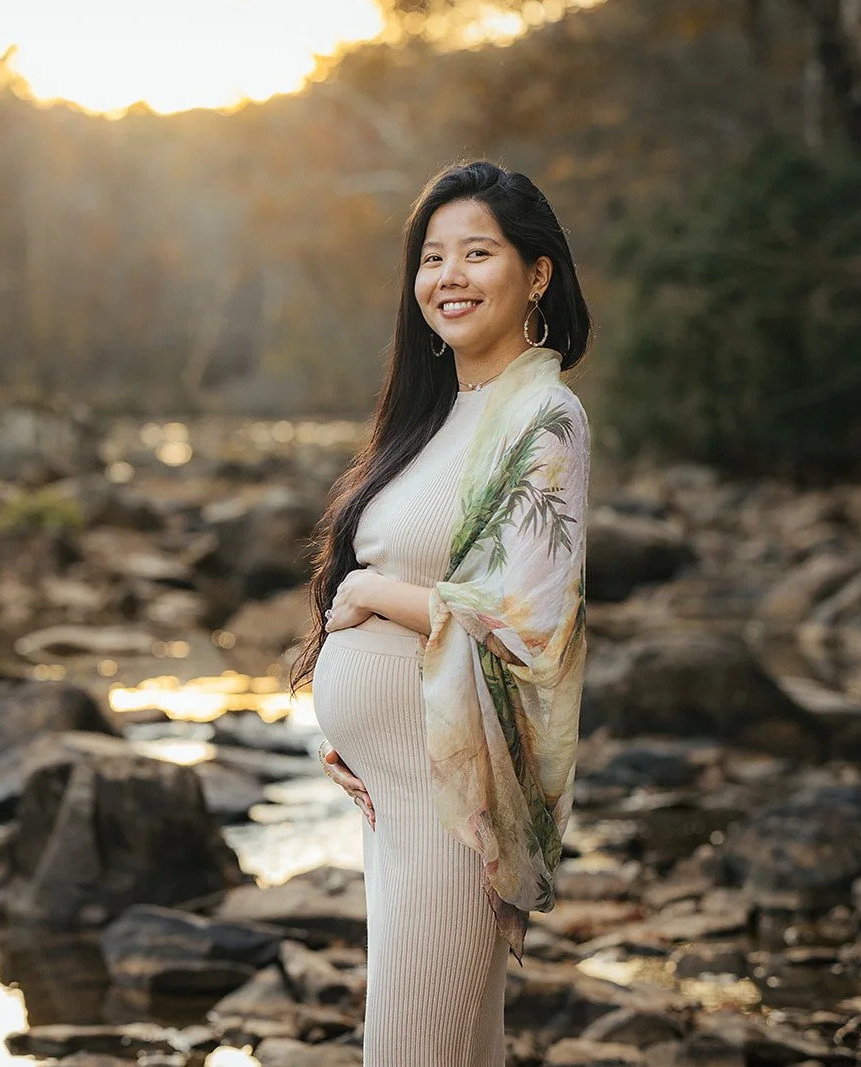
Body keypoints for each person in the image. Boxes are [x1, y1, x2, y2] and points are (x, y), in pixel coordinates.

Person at [288, 160, 592, 1063]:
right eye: (431, 257)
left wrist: (375, 596)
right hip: (399, 796)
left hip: (453, 804)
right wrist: (352, 734)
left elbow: (529, 626)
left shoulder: (545, 416)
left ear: (536, 273)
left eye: (477, 252)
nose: (447, 276)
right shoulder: (434, 415)